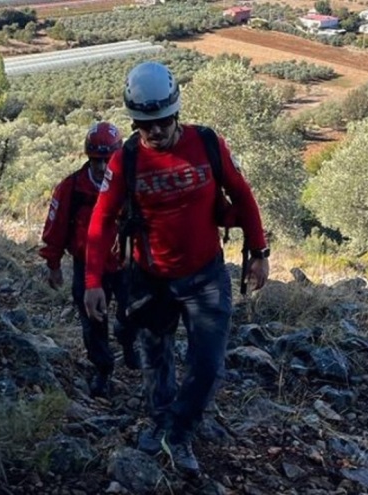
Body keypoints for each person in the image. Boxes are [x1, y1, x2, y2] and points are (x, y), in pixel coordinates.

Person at [83, 61, 270, 472]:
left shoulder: (207, 144)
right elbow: (101, 220)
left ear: (176, 113)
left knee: (208, 364)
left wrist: (258, 253)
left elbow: (242, 194)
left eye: (163, 122)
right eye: (145, 124)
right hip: (149, 278)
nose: (155, 132)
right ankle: (164, 421)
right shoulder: (125, 161)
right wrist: (93, 280)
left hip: (205, 276)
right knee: (156, 358)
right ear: (134, 122)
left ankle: (178, 432)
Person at [39, 122, 139, 399]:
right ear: (88, 158)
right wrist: (53, 264)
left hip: (126, 264)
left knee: (134, 313)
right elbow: (56, 228)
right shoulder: (71, 189)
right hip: (86, 266)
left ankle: (128, 341)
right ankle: (103, 369)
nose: (102, 166)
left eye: (108, 159)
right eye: (97, 160)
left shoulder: (131, 187)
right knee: (93, 323)